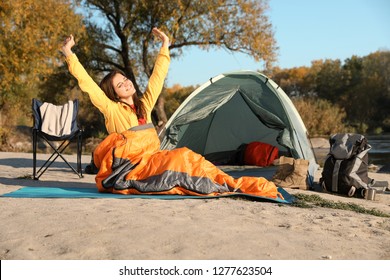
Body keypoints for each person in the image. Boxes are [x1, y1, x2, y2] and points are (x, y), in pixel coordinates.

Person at [61, 27, 170, 173]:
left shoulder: (145, 105)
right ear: (115, 94)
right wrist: (68, 52)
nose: (126, 83)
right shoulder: (111, 109)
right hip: (129, 165)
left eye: (125, 79)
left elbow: (157, 77)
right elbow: (87, 82)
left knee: (185, 159)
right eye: (120, 85)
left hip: (150, 160)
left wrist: (165, 44)